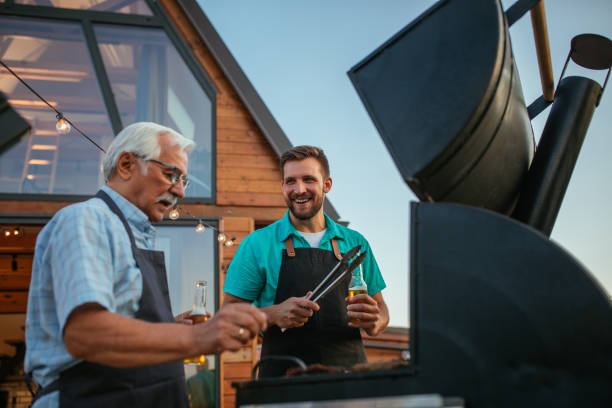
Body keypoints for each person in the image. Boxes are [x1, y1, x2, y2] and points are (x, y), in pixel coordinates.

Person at [24, 122, 267, 408]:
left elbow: (114, 322)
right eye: (170, 174)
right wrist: (196, 337)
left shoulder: (133, 234)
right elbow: (86, 334)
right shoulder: (87, 221)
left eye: (183, 180)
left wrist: (168, 326)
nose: (180, 191)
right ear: (127, 164)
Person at [223, 145, 389, 377]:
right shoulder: (257, 244)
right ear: (282, 186)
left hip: (349, 377)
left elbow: (381, 311)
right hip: (281, 379)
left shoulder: (355, 242)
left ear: (326, 185)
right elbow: (229, 316)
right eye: (290, 181)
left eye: (308, 179)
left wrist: (375, 321)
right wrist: (272, 314)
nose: (299, 189)